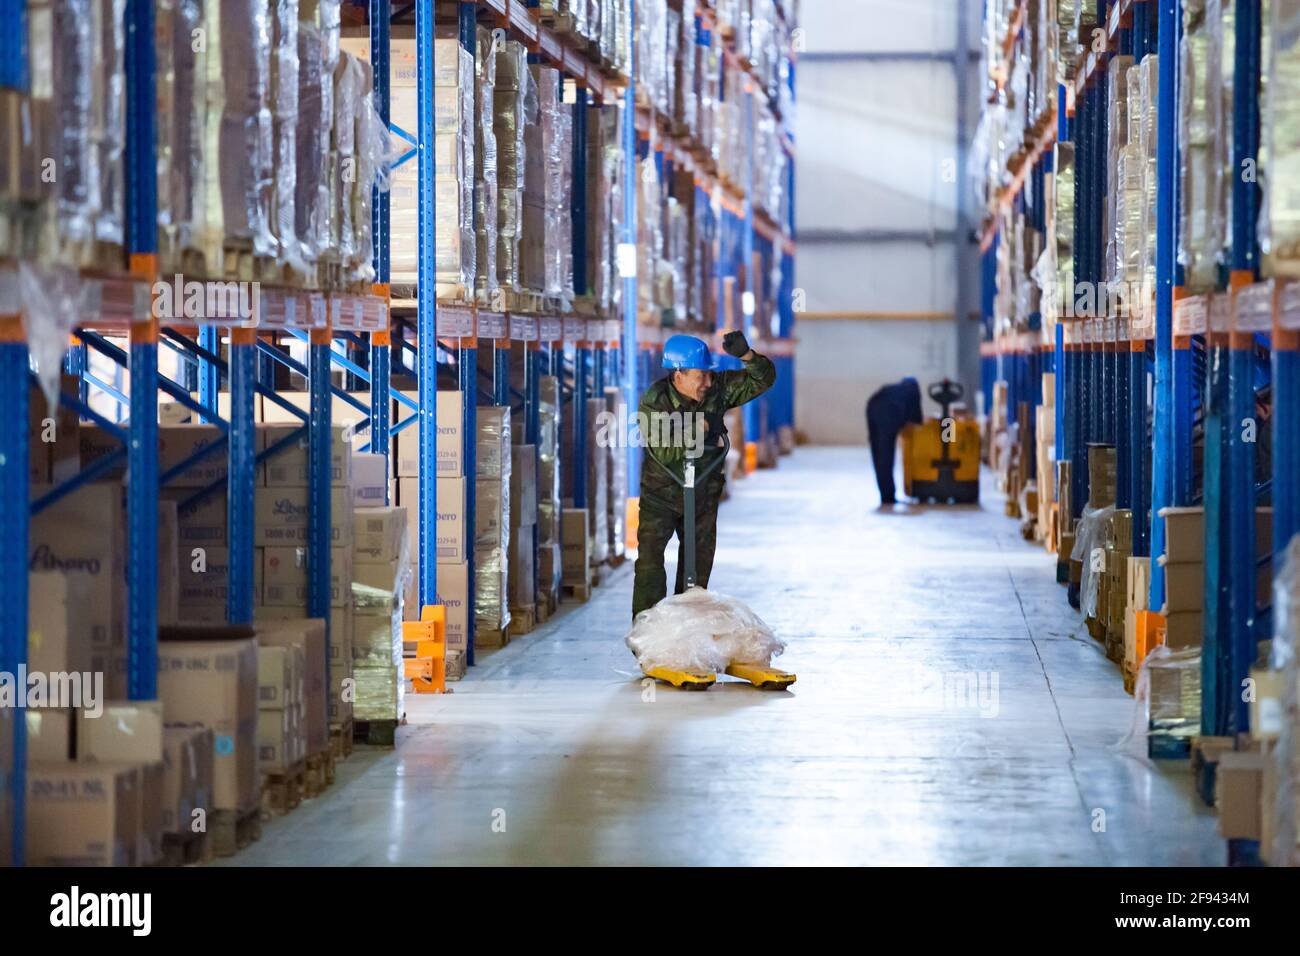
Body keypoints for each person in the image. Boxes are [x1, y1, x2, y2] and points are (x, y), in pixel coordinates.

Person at [632, 330, 776, 619]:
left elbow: (764, 379)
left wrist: (747, 356)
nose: (708, 383)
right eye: (701, 376)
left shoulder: (716, 388)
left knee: (695, 569)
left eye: (710, 375)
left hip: (702, 493)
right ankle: (647, 633)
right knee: (649, 563)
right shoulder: (654, 401)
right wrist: (699, 429)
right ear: (678, 375)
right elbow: (664, 451)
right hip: (661, 494)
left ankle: (686, 633)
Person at [865, 377, 924, 506]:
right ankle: (888, 496)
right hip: (886, 416)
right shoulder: (912, 391)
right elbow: (917, 419)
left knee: (879, 455)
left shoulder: (894, 390)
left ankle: (886, 495)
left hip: (872, 408)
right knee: (885, 456)